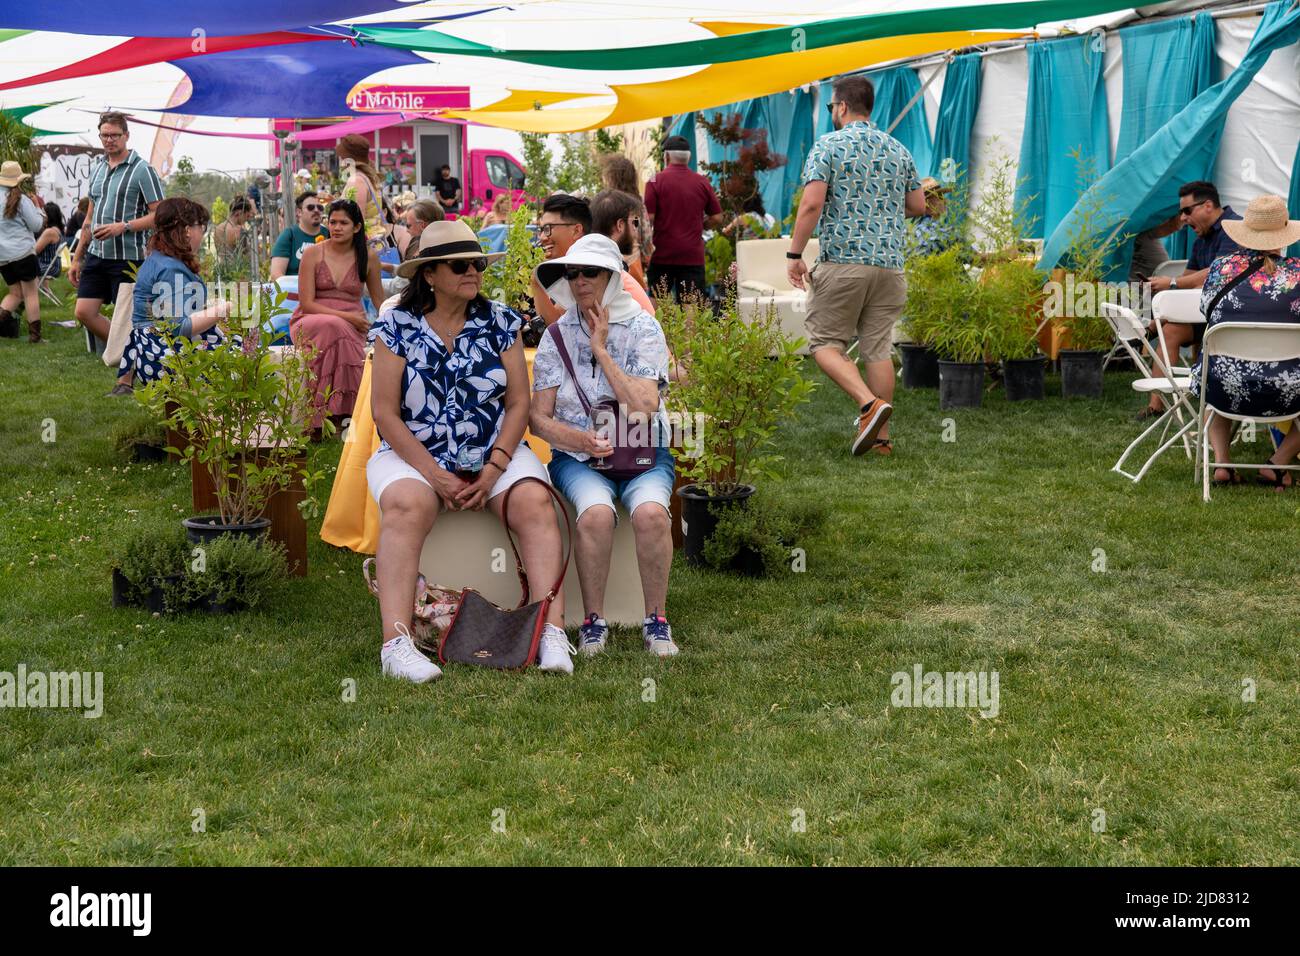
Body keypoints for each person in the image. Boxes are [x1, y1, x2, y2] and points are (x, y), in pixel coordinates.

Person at [369, 219, 573, 681]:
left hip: (493, 447)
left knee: (534, 503)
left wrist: (495, 465)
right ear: (430, 275)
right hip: (414, 453)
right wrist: (436, 475)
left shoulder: (500, 320)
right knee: (405, 505)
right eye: (460, 265)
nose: (474, 272)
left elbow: (519, 402)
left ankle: (549, 630)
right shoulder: (396, 323)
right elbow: (385, 414)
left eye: (478, 263)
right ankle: (395, 645)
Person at [529, 234, 679, 658]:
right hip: (578, 458)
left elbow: (646, 405)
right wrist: (579, 439)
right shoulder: (556, 335)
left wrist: (601, 349)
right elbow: (537, 419)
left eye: (589, 272)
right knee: (595, 515)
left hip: (644, 452)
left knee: (651, 514)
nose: (579, 281)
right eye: (571, 273)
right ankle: (594, 622)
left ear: (611, 277)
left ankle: (657, 620)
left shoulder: (644, 327)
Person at [788, 74, 926, 457]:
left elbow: (812, 204)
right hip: (890, 267)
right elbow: (918, 206)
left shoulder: (828, 146)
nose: (833, 112)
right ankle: (881, 441)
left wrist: (794, 254)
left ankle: (868, 405)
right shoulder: (898, 149)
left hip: (844, 262)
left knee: (824, 344)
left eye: (833, 106)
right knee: (877, 350)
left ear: (843, 106)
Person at [1189, 194, 1300, 489]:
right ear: (1283, 234)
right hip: (1290, 388)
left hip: (1224, 387)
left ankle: (1222, 464)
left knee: (1214, 371)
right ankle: (1277, 464)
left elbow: (1205, 311)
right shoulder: (1298, 273)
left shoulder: (1219, 269)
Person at [69, 111, 164, 394]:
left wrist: (123, 226)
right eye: (104, 135)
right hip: (97, 254)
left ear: (126, 136)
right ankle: (136, 354)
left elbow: (159, 214)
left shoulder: (142, 170)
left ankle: (125, 381)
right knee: (84, 312)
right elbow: (90, 214)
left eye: (114, 135)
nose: (109, 140)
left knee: (130, 320)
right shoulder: (98, 168)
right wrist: (77, 257)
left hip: (129, 255)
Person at [1138, 182, 1245, 420]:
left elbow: (1217, 272)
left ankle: (1206, 394)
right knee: (1169, 333)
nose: (1183, 218)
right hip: (1205, 313)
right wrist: (1162, 310)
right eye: (1181, 212)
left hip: (1231, 318)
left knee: (1171, 328)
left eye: (1187, 211)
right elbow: (1189, 281)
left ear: (1207, 205)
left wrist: (1171, 284)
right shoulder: (1201, 239)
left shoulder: (1234, 228)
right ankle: (1157, 406)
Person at [291, 199, 384, 430]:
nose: (336, 227)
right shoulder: (313, 254)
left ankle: (341, 416)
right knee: (334, 326)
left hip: (352, 324)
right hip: (310, 319)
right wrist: (346, 318)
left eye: (344, 222)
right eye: (332, 222)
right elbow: (307, 303)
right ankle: (328, 416)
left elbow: (379, 301)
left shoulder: (368, 257)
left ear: (357, 227)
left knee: (337, 329)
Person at [118, 198, 233, 384]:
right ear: (187, 231)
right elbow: (181, 327)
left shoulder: (159, 259)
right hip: (162, 352)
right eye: (200, 227)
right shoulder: (171, 269)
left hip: (153, 348)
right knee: (246, 359)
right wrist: (223, 309)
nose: (202, 233)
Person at [644, 135, 723, 301]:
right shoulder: (702, 182)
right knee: (691, 310)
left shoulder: (654, 181)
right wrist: (702, 224)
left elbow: (648, 219)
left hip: (662, 255)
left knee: (658, 306)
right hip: (692, 256)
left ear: (666, 156)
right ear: (689, 157)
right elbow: (717, 217)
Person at [590, 189, 655, 314]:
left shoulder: (579, 271)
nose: (636, 231)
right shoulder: (620, 278)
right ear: (620, 225)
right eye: (634, 223)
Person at [0, 161, 45, 343]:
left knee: (15, 294)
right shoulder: (21, 199)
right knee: (30, 294)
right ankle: (35, 336)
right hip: (23, 253)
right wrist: (38, 209)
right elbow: (36, 225)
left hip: (3, 257)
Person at [531, 194, 591, 324]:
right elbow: (556, 321)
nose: (542, 237)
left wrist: (536, 281)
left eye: (548, 229)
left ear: (576, 230)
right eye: (541, 230)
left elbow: (556, 328)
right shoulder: (575, 267)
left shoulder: (592, 271)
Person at [601, 154, 650, 285]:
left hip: (606, 261)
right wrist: (645, 256)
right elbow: (644, 235)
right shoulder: (636, 205)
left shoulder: (604, 204)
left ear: (612, 178)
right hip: (632, 260)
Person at [336, 134, 389, 253]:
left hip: (364, 248)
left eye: (341, 157)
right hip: (373, 245)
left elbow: (355, 220)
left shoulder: (357, 181)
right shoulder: (366, 178)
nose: (340, 161)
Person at [269, 191, 327, 280]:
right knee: (243, 291)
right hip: (295, 291)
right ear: (299, 212)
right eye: (310, 207)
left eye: (320, 207)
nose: (316, 210)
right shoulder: (289, 235)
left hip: (325, 291)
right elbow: (276, 275)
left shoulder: (330, 234)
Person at [908, 178, 962, 259]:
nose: (945, 201)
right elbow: (976, 258)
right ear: (927, 203)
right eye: (940, 197)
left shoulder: (909, 233)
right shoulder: (945, 231)